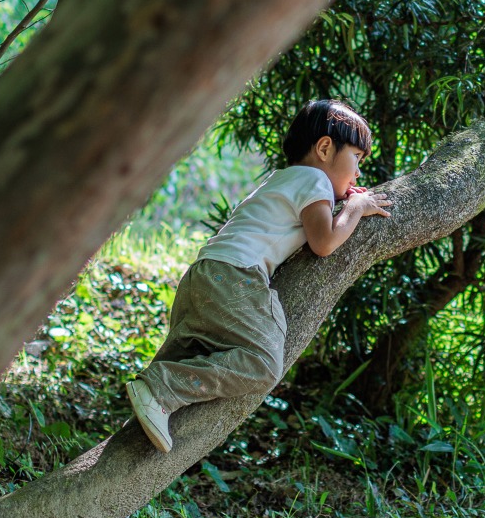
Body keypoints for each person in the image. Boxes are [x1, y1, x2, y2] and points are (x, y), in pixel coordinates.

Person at [125, 99, 391, 452]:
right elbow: (324, 242)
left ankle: (146, 409)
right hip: (236, 278)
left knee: (171, 369)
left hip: (203, 276)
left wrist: (344, 202)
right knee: (263, 364)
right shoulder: (314, 180)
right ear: (325, 148)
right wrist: (356, 207)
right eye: (356, 158)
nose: (358, 173)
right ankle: (162, 387)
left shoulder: (284, 180)